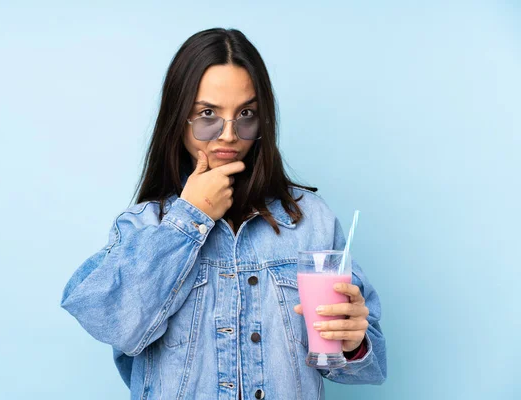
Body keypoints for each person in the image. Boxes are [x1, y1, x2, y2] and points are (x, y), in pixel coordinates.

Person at [60, 27, 387, 399]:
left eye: (246, 113)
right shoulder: (145, 225)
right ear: (177, 117)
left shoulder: (310, 220)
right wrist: (191, 217)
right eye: (208, 114)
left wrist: (354, 343)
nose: (229, 134)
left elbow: (370, 368)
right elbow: (114, 323)